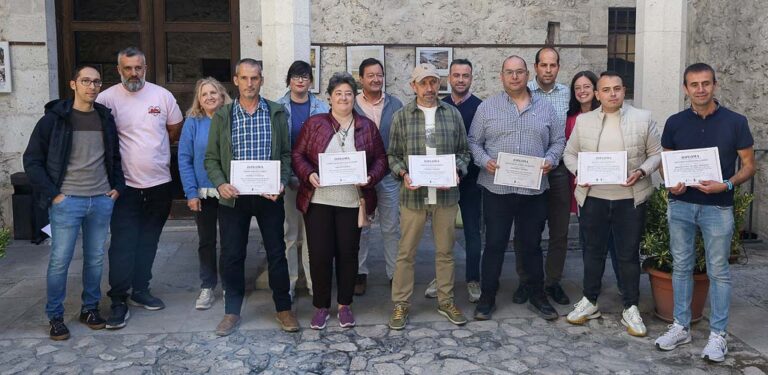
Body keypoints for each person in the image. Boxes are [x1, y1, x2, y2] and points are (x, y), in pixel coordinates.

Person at [654, 63, 755, 362]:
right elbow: (665, 164)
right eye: (694, 84)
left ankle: (718, 335)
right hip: (681, 205)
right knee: (681, 266)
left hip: (718, 207)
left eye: (706, 83)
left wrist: (726, 184)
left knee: (718, 270)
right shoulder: (675, 122)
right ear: (685, 89)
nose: (700, 89)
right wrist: (671, 183)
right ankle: (681, 326)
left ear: (715, 85)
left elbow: (749, 165)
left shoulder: (736, 122)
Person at [23, 65, 125, 340]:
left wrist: (117, 187)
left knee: (95, 259)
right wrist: (54, 194)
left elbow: (115, 156)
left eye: (96, 82)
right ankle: (55, 316)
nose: (91, 86)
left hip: (101, 199)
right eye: (86, 81)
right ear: (73, 84)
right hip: (67, 201)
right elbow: (32, 160)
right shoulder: (54, 120)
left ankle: (90, 309)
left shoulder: (104, 118)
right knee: (60, 260)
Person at [563, 71, 661, 337]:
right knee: (592, 252)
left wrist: (641, 171)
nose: (612, 94)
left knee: (628, 255)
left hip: (629, 199)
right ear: (597, 94)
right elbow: (569, 154)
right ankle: (590, 300)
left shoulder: (643, 118)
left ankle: (631, 306)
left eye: (617, 88)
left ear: (623, 90)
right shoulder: (584, 121)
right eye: (606, 90)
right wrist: (579, 171)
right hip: (593, 198)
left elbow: (656, 154)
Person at [204, 58, 299, 336]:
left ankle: (284, 308)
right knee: (232, 254)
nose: (249, 83)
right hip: (234, 198)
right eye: (244, 78)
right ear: (235, 80)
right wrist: (221, 184)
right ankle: (231, 311)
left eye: (254, 78)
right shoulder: (223, 115)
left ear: (262, 80)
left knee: (277, 253)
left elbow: (285, 154)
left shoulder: (276, 112)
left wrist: (281, 181)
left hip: (269, 196)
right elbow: (211, 158)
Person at [469, 55, 564, 321]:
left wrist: (551, 159)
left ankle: (537, 295)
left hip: (533, 190)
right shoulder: (487, 108)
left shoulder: (546, 108)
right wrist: (484, 161)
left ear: (527, 75)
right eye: (509, 72)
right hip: (496, 189)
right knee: (495, 244)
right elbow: (473, 141)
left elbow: (558, 141)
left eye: (519, 72)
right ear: (501, 76)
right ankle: (487, 297)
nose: (514, 77)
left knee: (532, 244)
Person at [97, 47, 184, 329]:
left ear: (145, 68)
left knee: (149, 240)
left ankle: (141, 289)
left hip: (159, 184)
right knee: (122, 243)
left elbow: (174, 129)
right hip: (125, 187)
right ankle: (118, 299)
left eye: (138, 68)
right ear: (118, 69)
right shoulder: (106, 99)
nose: (133, 73)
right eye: (128, 68)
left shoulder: (162, 96)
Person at [292, 72, 387, 330]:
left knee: (348, 254)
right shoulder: (315, 124)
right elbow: (298, 155)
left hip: (351, 202)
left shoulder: (366, 126)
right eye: (338, 94)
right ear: (329, 98)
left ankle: (345, 305)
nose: (343, 98)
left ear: (354, 97)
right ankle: (321, 306)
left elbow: (381, 159)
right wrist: (308, 174)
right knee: (319, 255)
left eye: (348, 93)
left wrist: (370, 176)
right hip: (319, 200)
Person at [387, 63, 471, 330]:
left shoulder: (452, 114)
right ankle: (401, 304)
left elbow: (464, 152)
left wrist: (457, 170)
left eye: (433, 82)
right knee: (406, 253)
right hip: (413, 197)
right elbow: (392, 155)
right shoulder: (401, 116)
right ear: (413, 86)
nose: (429, 88)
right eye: (423, 83)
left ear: (439, 84)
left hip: (446, 197)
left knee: (445, 252)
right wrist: (403, 174)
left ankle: (446, 301)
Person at [514, 47, 572, 306]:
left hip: (558, 168)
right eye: (543, 65)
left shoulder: (567, 94)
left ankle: (552, 282)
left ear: (558, 67)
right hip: (529, 169)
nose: (548, 70)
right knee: (527, 229)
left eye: (553, 65)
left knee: (559, 230)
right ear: (535, 67)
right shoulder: (523, 92)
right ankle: (526, 281)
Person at [424, 58, 483, 303]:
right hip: (442, 181)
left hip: (471, 180)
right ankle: (441, 277)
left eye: (465, 75)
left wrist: (463, 169)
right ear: (449, 78)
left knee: (472, 231)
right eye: (456, 75)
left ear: (471, 78)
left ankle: (473, 278)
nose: (460, 80)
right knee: (442, 232)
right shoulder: (439, 106)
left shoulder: (480, 107)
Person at [276, 60, 330, 299]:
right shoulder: (277, 107)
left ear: (311, 81)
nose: (300, 80)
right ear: (289, 80)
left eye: (305, 76)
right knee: (290, 232)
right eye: (296, 76)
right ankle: (289, 282)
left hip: (314, 178)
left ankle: (312, 282)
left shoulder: (321, 107)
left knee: (312, 235)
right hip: (288, 178)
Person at [178, 77, 232, 310]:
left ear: (222, 95)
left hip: (229, 191)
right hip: (203, 192)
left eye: (213, 92)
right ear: (199, 100)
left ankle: (230, 285)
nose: (209, 97)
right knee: (206, 241)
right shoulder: (193, 122)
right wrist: (191, 192)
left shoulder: (232, 118)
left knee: (230, 241)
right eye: (204, 94)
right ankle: (207, 286)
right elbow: (184, 158)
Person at [566, 71, 623, 290]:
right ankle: (592, 287)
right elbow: (569, 152)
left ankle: (623, 284)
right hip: (585, 186)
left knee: (616, 240)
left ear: (596, 91)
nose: (582, 91)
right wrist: (580, 172)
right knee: (589, 240)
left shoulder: (611, 115)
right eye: (577, 88)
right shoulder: (571, 119)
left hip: (615, 186)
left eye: (587, 86)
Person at [354, 58, 404, 295]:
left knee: (391, 226)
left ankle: (394, 274)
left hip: (388, 175)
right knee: (361, 226)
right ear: (361, 79)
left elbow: (402, 137)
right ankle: (359, 273)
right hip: (360, 177)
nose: (376, 79)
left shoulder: (395, 104)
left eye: (379, 75)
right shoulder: (351, 104)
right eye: (370, 75)